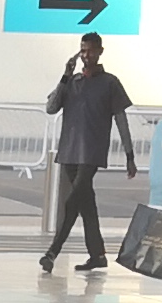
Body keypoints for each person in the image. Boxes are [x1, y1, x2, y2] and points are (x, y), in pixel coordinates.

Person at [38, 35, 132, 274]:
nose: (86, 55)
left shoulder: (110, 83)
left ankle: (52, 252)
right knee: (86, 204)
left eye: (91, 51)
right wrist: (64, 77)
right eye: (83, 51)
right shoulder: (73, 82)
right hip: (69, 151)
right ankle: (97, 254)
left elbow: (121, 119)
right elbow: (51, 108)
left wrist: (129, 154)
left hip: (91, 153)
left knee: (72, 202)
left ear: (100, 52)